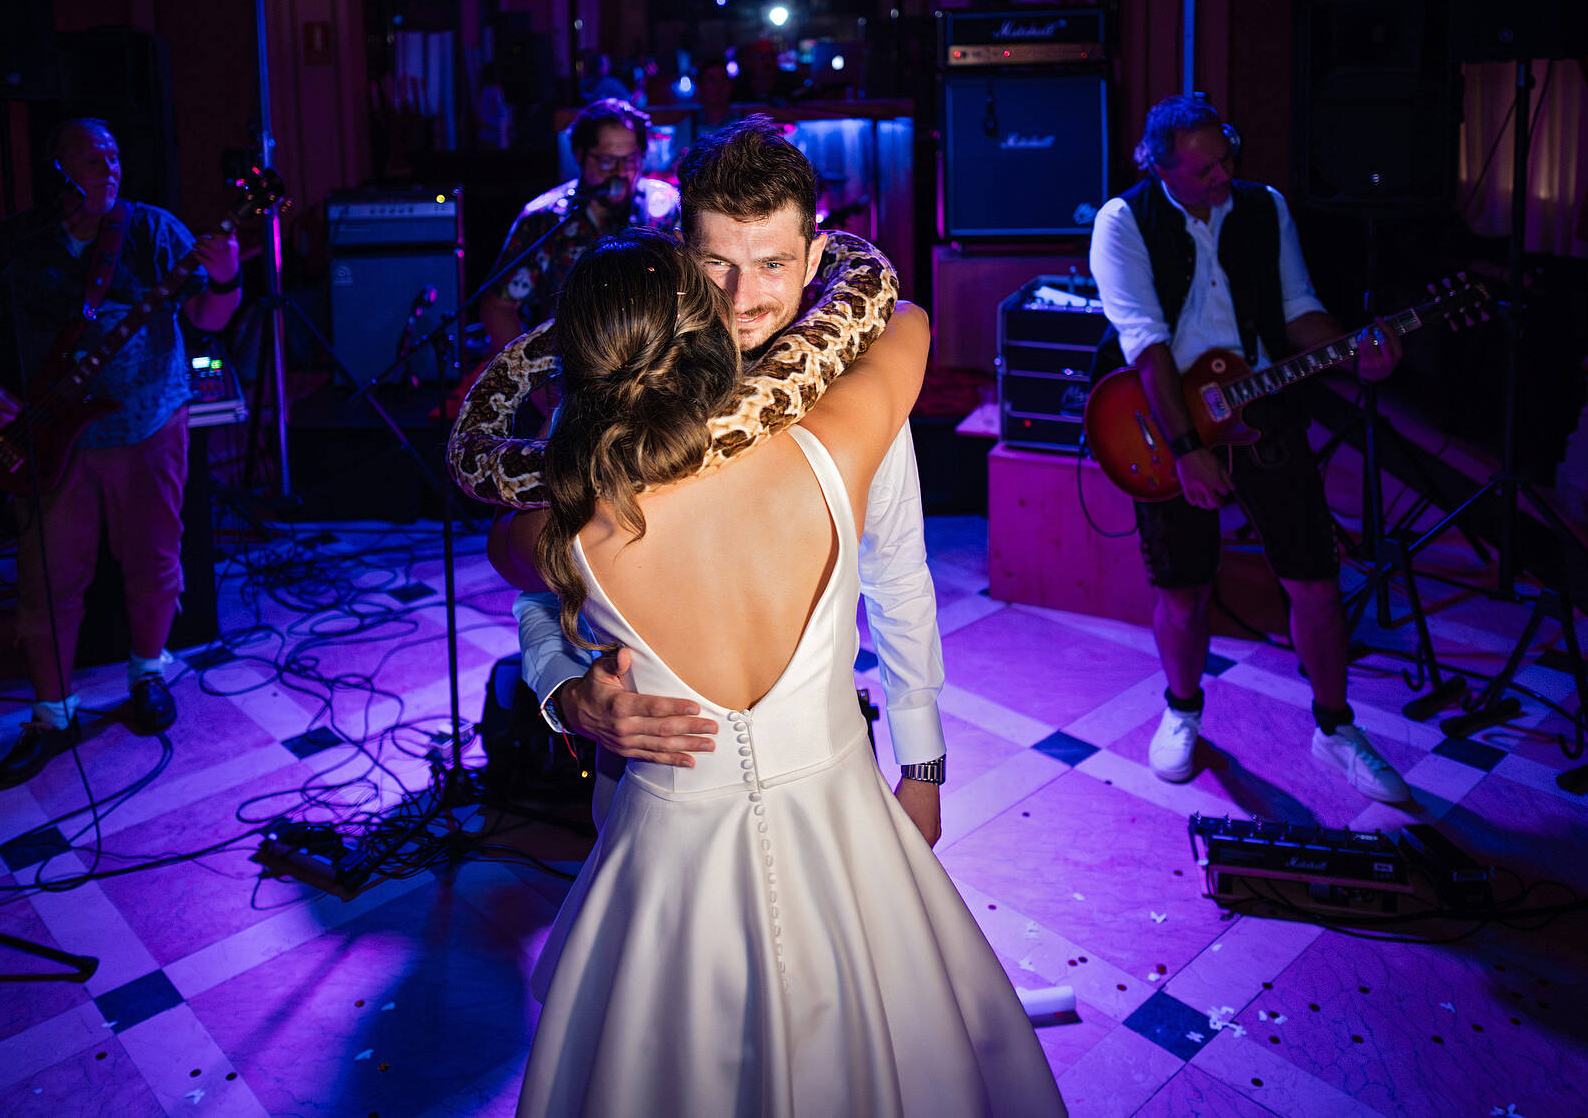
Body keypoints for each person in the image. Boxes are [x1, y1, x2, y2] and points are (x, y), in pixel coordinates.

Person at [490, 231, 1063, 1116]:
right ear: (708, 333)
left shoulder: (565, 535)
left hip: (669, 873)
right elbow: (905, 319)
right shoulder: (833, 446)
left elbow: (518, 566)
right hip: (842, 838)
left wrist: (559, 675)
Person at [517, 116, 949, 845]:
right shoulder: (616, 386)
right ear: (681, 251)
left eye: (774, 265)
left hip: (818, 777)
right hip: (653, 799)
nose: (743, 297)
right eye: (718, 263)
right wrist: (564, 692)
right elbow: (547, 579)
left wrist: (923, 762)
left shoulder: (853, 388)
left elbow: (897, 572)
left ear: (816, 257)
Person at [1088, 94, 1412, 804]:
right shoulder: (1123, 223)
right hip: (1164, 416)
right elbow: (1144, 346)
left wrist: (1357, 351)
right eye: (1204, 169)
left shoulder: (1264, 208)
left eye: (1227, 157)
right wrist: (1184, 450)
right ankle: (1181, 712)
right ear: (1159, 167)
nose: (1223, 175)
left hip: (1262, 408)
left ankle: (1335, 729)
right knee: (1182, 590)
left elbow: (1299, 311)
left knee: (1316, 580)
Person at [0, 118, 242, 788]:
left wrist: (224, 280)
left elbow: (210, 320)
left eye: (113, 153)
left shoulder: (153, 230)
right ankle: (53, 715)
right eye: (89, 156)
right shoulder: (19, 243)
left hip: (149, 423)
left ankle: (147, 673)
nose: (108, 166)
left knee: (154, 560)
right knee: (49, 577)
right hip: (51, 439)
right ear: (56, 170)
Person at [477, 98, 679, 352]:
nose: (620, 172)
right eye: (606, 161)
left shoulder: (667, 209)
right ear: (580, 156)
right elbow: (497, 307)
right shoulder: (545, 218)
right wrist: (529, 379)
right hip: (571, 376)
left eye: (630, 160)